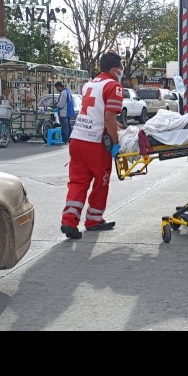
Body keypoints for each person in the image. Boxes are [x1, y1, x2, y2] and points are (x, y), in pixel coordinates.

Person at [60, 52, 124, 239]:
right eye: (121, 67)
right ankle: (94, 219)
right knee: (101, 181)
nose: (122, 71)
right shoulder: (114, 86)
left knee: (78, 182)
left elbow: (98, 113)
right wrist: (115, 143)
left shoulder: (90, 84)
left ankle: (69, 221)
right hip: (95, 142)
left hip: (77, 138)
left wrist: (115, 125)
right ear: (114, 69)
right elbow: (109, 117)